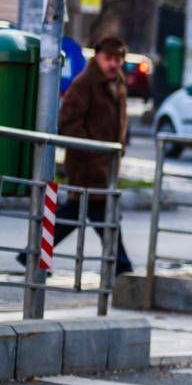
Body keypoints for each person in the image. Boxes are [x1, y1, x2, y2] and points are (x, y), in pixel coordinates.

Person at [52, 35, 133, 275]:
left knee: (75, 214)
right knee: (105, 216)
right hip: (88, 165)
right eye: (109, 58)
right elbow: (69, 122)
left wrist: (120, 147)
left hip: (105, 164)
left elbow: (119, 120)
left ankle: (33, 255)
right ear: (97, 57)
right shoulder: (85, 83)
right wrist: (93, 152)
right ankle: (122, 265)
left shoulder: (116, 83)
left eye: (118, 59)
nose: (113, 64)